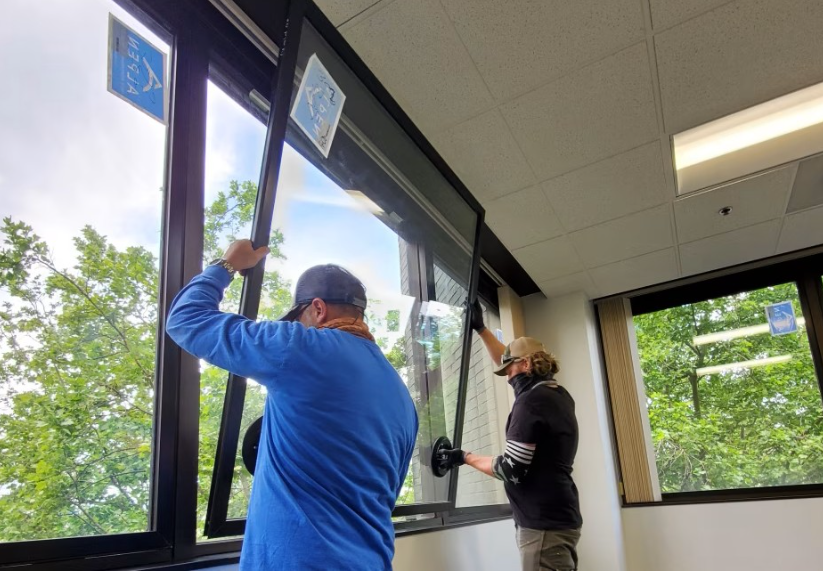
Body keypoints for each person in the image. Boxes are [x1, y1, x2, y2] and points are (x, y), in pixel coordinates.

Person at [166, 240, 418, 571]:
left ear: (317, 308)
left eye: (297, 318)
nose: (294, 326)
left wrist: (226, 266)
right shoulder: (402, 398)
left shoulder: (301, 348)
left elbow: (186, 320)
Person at [445, 303, 582, 571]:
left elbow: (512, 469)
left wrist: (465, 457)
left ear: (527, 364)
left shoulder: (531, 402)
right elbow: (508, 360)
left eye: (509, 370)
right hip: (559, 516)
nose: (507, 376)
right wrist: (481, 329)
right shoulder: (556, 394)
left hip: (543, 525)